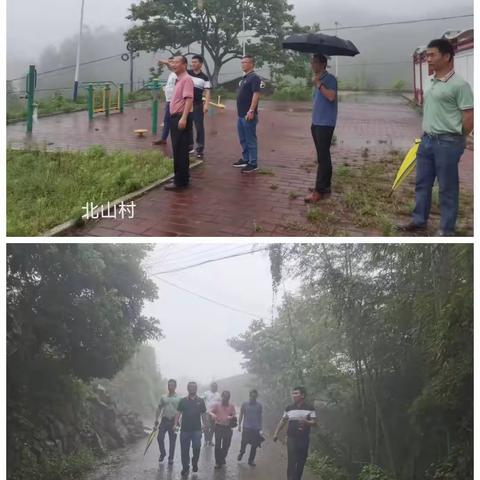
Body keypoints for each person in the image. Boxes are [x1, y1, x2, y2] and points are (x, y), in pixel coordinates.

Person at [397, 38, 473, 236]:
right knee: (422, 184)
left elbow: (469, 117)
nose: (428, 59)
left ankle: (446, 229)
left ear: (447, 57)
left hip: (448, 143)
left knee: (447, 188)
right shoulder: (429, 81)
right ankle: (419, 220)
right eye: (427, 55)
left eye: (432, 55)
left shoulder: (460, 85)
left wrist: (457, 138)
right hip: (427, 141)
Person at [304, 54, 338, 204]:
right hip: (316, 122)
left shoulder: (329, 79)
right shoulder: (318, 80)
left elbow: (331, 97)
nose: (312, 64)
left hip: (325, 124)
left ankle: (319, 191)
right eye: (312, 62)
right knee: (323, 156)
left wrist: (319, 84)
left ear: (323, 64)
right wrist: (316, 83)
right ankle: (325, 187)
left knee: (323, 158)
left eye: (315, 62)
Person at [273, 386, 316, 480]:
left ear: (303, 395)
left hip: (304, 439)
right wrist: (276, 433)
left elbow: (314, 423)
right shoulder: (289, 408)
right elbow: (282, 421)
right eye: (293, 393)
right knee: (292, 461)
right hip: (291, 438)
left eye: (296, 393)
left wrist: (306, 422)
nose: (294, 395)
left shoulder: (310, 408)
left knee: (301, 461)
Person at [164, 55, 194, 191]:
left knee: (180, 150)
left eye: (177, 62)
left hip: (180, 117)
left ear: (184, 65)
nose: (174, 65)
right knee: (178, 150)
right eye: (173, 62)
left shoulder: (186, 79)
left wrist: (183, 118)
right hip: (175, 117)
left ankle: (180, 182)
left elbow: (189, 99)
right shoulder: (179, 79)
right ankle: (181, 177)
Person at [232, 55, 261, 173]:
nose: (243, 64)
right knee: (243, 139)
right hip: (241, 115)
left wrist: (251, 110)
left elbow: (256, 94)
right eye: (242, 62)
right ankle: (245, 159)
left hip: (248, 115)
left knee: (250, 139)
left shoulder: (254, 78)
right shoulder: (245, 78)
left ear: (251, 64)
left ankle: (253, 163)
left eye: (245, 62)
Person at [175, 381, 207, 476]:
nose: (192, 388)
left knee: (197, 447)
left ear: (196, 389)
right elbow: (178, 413)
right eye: (190, 387)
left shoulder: (201, 401)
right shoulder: (182, 401)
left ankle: (194, 462)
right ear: (188, 389)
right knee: (184, 450)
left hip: (197, 430)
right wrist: (175, 423)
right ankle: (185, 467)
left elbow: (203, 414)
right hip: (185, 430)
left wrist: (205, 425)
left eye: (194, 387)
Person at [187, 54, 211, 159]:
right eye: (192, 62)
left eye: (195, 62)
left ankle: (200, 149)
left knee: (199, 127)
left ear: (200, 64)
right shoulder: (187, 73)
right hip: (186, 104)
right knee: (187, 126)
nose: (193, 64)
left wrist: (206, 105)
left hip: (197, 105)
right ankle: (189, 146)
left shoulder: (204, 77)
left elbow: (207, 92)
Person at [154, 378, 180, 465]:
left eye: (172, 385)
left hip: (174, 421)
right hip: (164, 420)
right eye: (169, 385)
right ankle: (163, 453)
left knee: (172, 440)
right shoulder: (163, 397)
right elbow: (159, 408)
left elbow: (180, 411)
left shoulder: (179, 398)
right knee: (159, 438)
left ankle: (171, 458)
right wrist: (156, 420)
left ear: (175, 387)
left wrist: (178, 423)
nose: (170, 387)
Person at [152, 57, 176, 145]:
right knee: (167, 120)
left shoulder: (178, 73)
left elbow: (172, 67)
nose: (170, 64)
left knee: (173, 121)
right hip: (169, 100)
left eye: (172, 62)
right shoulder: (172, 74)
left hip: (175, 101)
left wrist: (165, 62)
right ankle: (164, 138)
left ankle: (182, 141)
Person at [210, 390, 236, 469]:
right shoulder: (217, 405)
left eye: (227, 397)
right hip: (219, 427)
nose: (225, 398)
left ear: (229, 398)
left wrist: (232, 417)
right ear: (222, 397)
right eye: (224, 397)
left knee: (226, 446)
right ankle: (218, 462)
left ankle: (222, 458)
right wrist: (213, 415)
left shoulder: (231, 406)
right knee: (217, 446)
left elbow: (234, 414)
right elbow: (210, 412)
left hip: (228, 428)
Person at [238, 389, 263, 467]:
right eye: (252, 395)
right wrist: (239, 424)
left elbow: (260, 416)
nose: (253, 397)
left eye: (255, 395)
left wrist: (261, 428)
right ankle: (242, 452)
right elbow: (241, 414)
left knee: (254, 445)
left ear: (257, 396)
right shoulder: (244, 404)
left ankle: (251, 460)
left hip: (256, 428)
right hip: (246, 427)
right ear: (250, 395)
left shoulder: (259, 405)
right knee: (244, 442)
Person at [202, 381, 221, 446]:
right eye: (213, 386)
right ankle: (205, 440)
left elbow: (220, 403)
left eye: (216, 386)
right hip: (206, 412)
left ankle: (210, 440)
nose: (214, 387)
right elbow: (201, 400)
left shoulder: (218, 394)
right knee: (206, 427)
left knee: (213, 427)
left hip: (215, 414)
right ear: (211, 387)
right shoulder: (206, 393)